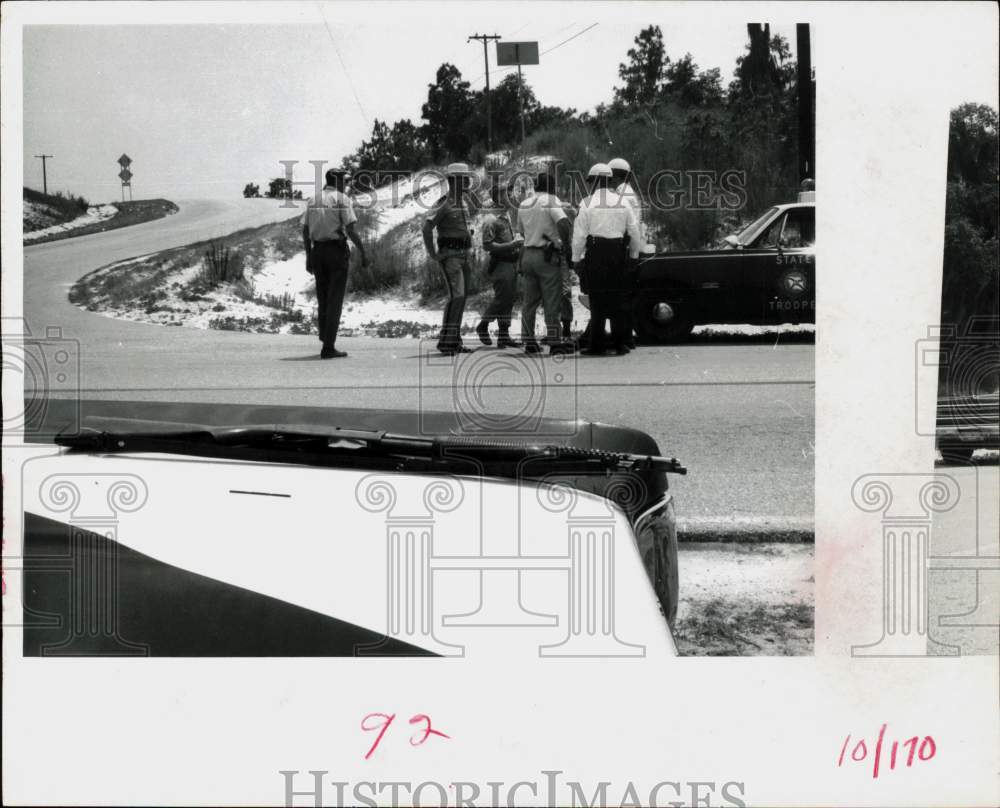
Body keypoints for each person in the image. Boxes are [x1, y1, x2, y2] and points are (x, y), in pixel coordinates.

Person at [571, 163, 641, 356]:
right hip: (618, 252)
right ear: (610, 180)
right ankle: (620, 344)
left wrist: (576, 258)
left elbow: (579, 236)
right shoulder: (623, 202)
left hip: (596, 252)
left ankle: (597, 345)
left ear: (594, 182)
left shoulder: (587, 203)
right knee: (616, 298)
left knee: (597, 300)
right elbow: (634, 232)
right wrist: (633, 256)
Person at [302, 167, 369, 359]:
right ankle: (328, 347)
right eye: (344, 181)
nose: (347, 184)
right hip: (335, 252)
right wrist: (363, 252)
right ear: (337, 181)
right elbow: (351, 229)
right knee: (335, 300)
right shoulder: (342, 199)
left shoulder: (313, 199)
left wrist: (308, 256)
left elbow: (305, 231)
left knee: (323, 298)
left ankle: (325, 338)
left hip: (318, 252)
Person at [516, 171, 575, 355]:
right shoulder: (550, 200)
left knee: (529, 302)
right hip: (547, 256)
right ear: (551, 187)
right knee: (552, 300)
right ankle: (555, 341)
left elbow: (521, 231)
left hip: (528, 255)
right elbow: (564, 222)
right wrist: (565, 244)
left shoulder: (524, 203)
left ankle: (528, 341)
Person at [422, 162, 477, 355]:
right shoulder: (444, 203)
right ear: (455, 180)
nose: (468, 181)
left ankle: (455, 341)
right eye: (465, 179)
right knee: (457, 296)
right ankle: (446, 341)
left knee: (461, 299)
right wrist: (433, 254)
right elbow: (427, 228)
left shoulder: (463, 202)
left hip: (465, 256)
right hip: (451, 256)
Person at [476, 181, 523, 348]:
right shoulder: (491, 219)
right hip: (501, 263)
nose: (511, 197)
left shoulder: (506, 215)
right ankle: (483, 325)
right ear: (498, 197)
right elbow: (487, 245)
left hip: (511, 263)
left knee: (509, 299)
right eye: (507, 194)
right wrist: (511, 246)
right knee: (502, 298)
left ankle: (504, 335)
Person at [609, 157, 644, 349]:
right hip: (631, 246)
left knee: (621, 296)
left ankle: (624, 338)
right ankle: (626, 337)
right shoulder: (628, 192)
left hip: (625, 248)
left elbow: (626, 225)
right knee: (625, 296)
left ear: (614, 176)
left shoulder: (622, 194)